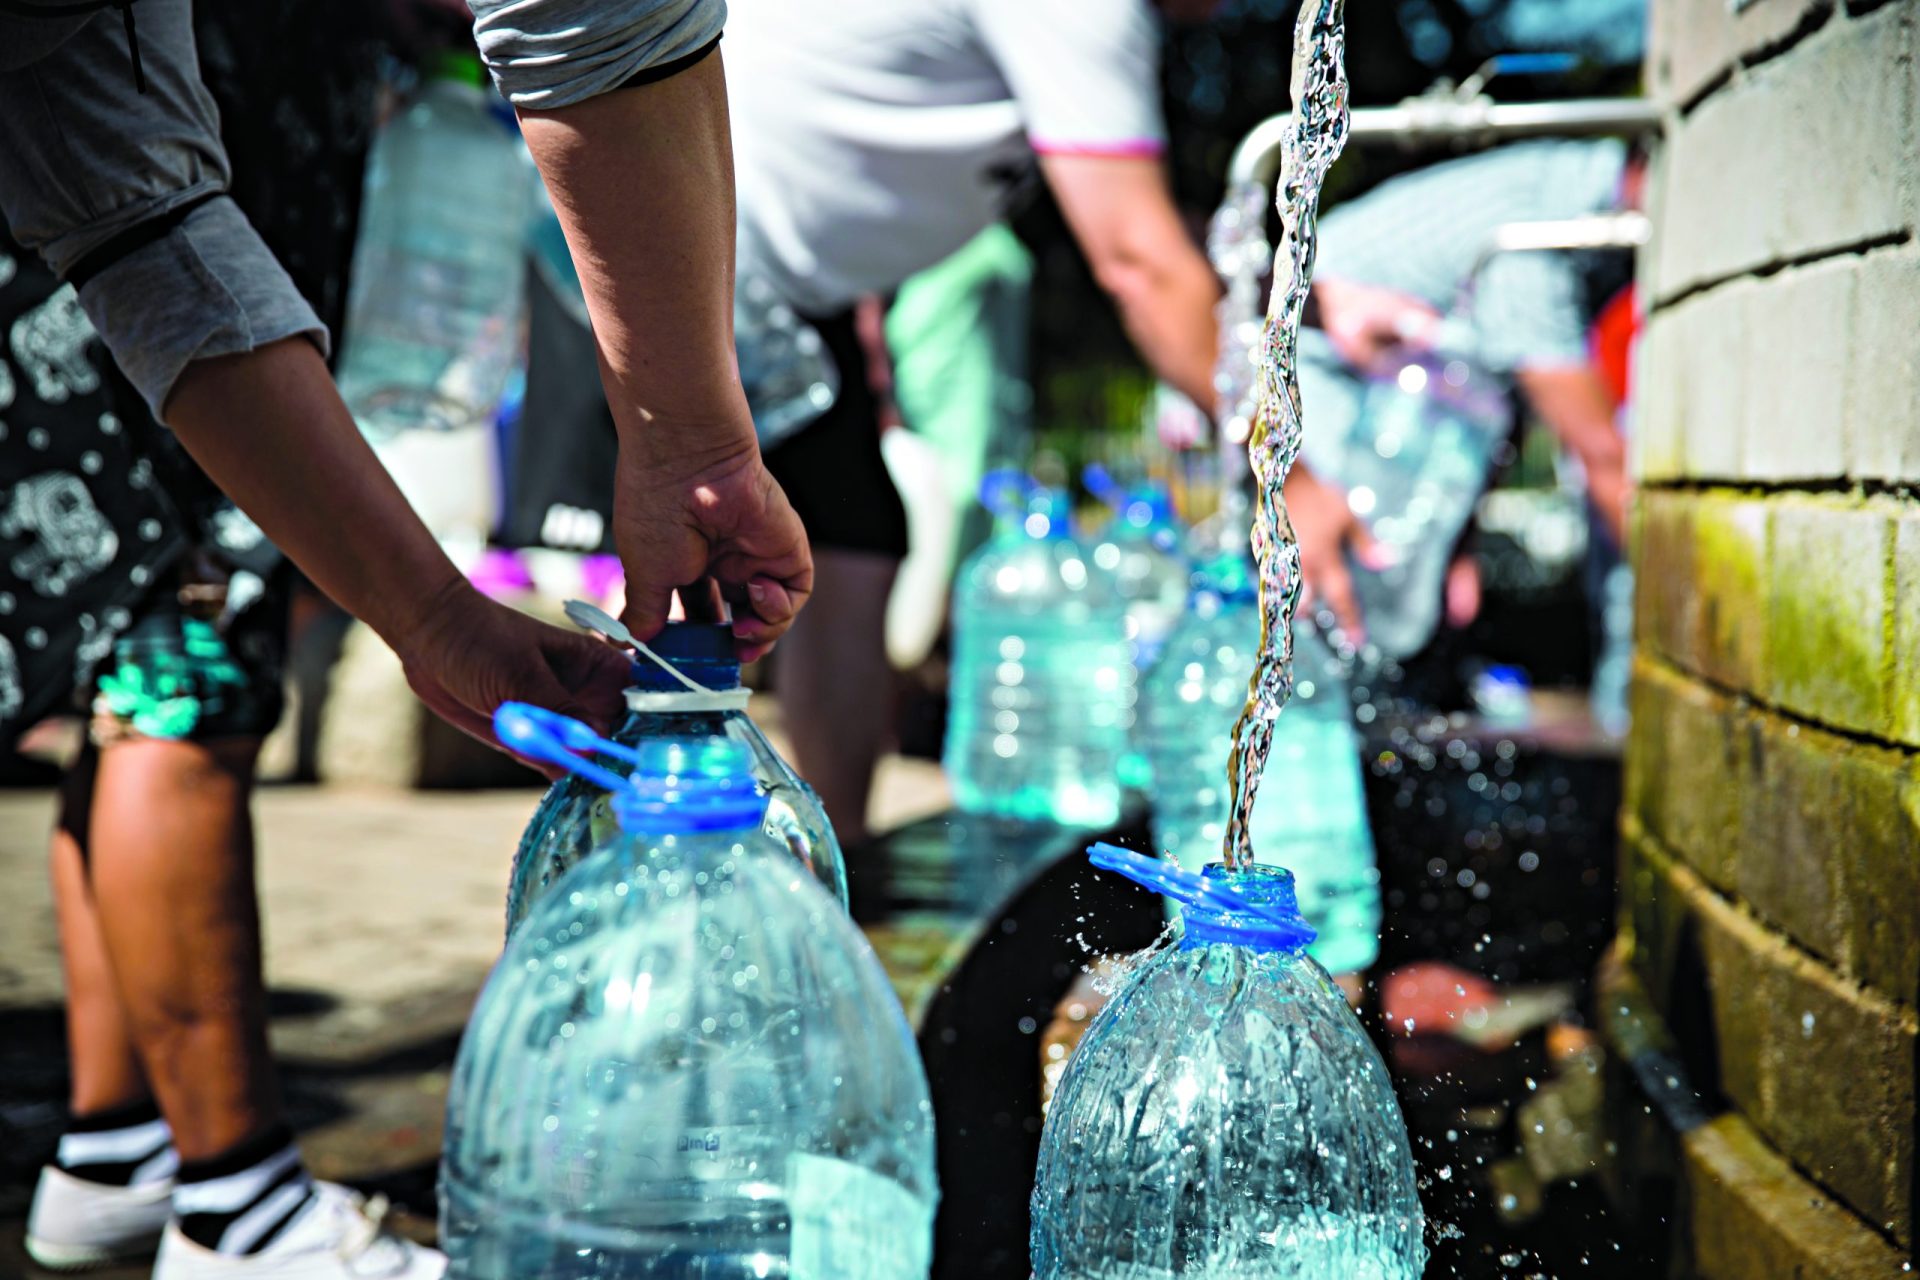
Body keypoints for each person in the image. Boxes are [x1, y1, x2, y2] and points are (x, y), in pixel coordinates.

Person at [0, 0, 800, 1273]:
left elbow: (135, 212)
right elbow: (595, 22)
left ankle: (115, 1144)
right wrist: (698, 446)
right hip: (173, 220)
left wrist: (433, 618)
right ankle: (236, 1205)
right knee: (184, 659)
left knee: (135, 658)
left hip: (129, 243)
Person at [696, 0, 1374, 855]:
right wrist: (1290, 478)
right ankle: (636, 894)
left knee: (857, 539)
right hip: (675, 243)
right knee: (674, 566)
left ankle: (832, 869)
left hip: (793, 288)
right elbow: (1139, 262)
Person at [1302, 138, 1641, 571]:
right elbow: (1601, 454)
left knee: (1396, 573)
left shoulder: (1556, 185)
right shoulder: (1531, 238)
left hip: (1386, 382)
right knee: (1355, 569)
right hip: (1315, 366)